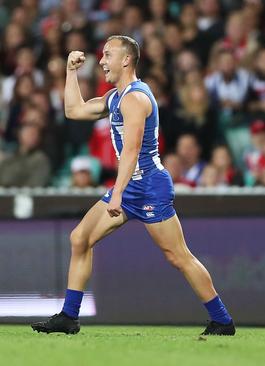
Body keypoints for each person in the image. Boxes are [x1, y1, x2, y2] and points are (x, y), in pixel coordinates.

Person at [30, 36, 235, 336]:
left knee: (177, 255)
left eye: (107, 55)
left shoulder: (136, 98)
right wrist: (70, 72)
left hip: (149, 186)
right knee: (80, 239)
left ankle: (223, 320)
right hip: (130, 186)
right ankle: (69, 317)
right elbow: (74, 111)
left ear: (126, 60)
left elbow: (132, 149)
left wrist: (119, 193)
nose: (101, 61)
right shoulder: (117, 96)